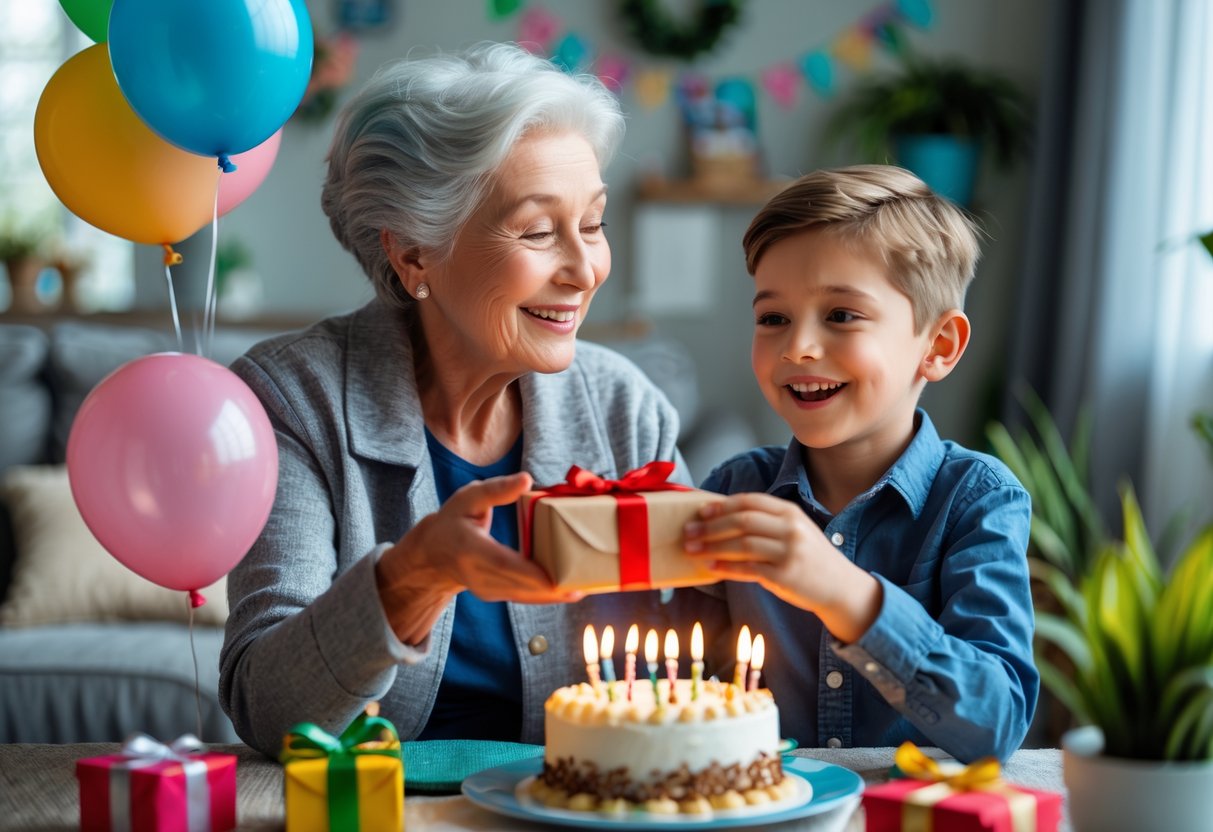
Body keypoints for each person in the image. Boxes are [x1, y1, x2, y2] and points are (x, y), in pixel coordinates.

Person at [219, 42, 695, 757]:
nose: (583, 268)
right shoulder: (294, 400)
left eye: (592, 225)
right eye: (537, 231)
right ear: (414, 254)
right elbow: (268, 709)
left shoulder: (623, 408)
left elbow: (714, 666)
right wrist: (412, 577)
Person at [682, 165, 1038, 762]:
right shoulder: (733, 490)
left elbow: (997, 723)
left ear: (938, 346)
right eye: (773, 318)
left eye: (842, 315)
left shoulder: (979, 500)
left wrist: (846, 594)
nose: (797, 347)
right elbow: (677, 686)